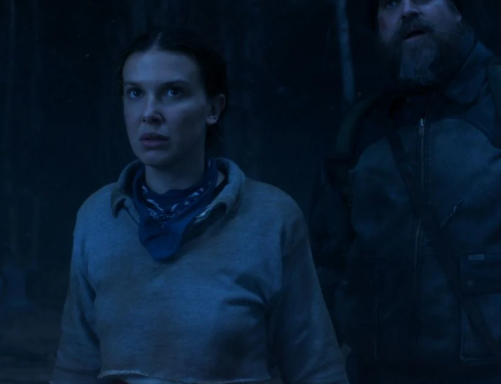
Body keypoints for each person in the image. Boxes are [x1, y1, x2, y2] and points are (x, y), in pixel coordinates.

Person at [309, 0, 501, 384]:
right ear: (378, 29)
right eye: (390, 3)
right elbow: (324, 271)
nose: (407, 10)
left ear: (456, 11)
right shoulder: (358, 135)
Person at [51, 28, 347, 384]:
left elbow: (315, 367)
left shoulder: (271, 217)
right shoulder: (98, 217)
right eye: (135, 93)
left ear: (213, 108)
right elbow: (75, 366)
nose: (149, 113)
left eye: (172, 92)